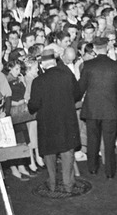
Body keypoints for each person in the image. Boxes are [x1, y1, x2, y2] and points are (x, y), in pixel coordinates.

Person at [27, 48, 83, 193]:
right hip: (66, 120)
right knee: (67, 152)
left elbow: (33, 105)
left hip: (47, 123)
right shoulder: (67, 75)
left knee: (49, 154)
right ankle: (68, 184)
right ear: (55, 60)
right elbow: (77, 94)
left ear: (43, 64)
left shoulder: (38, 81)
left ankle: (52, 183)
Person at [78, 36, 117, 179]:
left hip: (92, 108)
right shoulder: (116, 65)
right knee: (109, 142)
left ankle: (92, 168)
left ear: (95, 49)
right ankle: (110, 172)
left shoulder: (88, 65)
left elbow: (81, 87)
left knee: (93, 139)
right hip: (110, 108)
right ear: (107, 47)